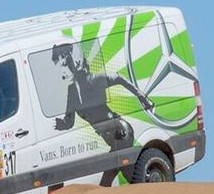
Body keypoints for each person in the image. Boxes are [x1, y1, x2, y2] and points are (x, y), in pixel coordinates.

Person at [50, 42, 155, 186]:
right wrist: (58, 124)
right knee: (132, 176)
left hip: (121, 132)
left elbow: (119, 78)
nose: (62, 71)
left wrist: (142, 97)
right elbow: (69, 122)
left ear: (74, 62)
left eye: (64, 64)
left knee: (107, 179)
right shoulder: (72, 92)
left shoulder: (94, 79)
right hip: (112, 138)